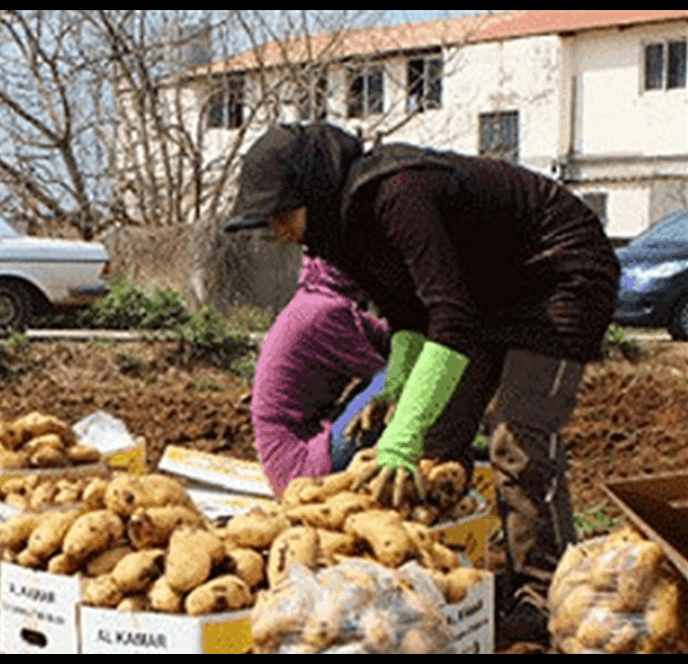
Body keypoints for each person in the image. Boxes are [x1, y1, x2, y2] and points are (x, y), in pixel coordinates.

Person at [224, 122, 621, 646]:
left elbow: (450, 319)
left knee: (518, 437)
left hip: (560, 272)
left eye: (280, 214)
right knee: (436, 434)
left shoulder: (396, 193)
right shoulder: (340, 232)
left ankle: (540, 592)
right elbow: (409, 313)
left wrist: (403, 430)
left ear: (313, 192)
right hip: (490, 292)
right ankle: (438, 574)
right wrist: (398, 392)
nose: (276, 231)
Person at [250, 253, 391, 498]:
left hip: (304, 446)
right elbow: (391, 374)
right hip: (301, 470)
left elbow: (387, 337)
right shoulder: (324, 312)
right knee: (401, 378)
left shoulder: (322, 300)